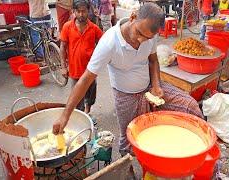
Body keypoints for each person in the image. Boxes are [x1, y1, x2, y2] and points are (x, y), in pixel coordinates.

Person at [53, 2, 203, 155]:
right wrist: (65, 115)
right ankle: (128, 168)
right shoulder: (109, 42)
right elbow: (85, 80)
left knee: (190, 106)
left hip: (150, 87)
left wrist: (156, 85)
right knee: (130, 138)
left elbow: (153, 60)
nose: (141, 40)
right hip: (126, 96)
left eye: (146, 38)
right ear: (132, 17)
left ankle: (196, 157)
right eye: (139, 33)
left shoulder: (149, 35)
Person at [60, 0, 103, 113]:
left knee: (91, 93)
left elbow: (103, 44)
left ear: (88, 11)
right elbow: (62, 47)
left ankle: (88, 112)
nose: (81, 14)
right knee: (77, 97)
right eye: (78, 11)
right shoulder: (67, 27)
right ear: (73, 11)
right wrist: (63, 66)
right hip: (75, 70)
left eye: (83, 11)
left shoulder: (94, 28)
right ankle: (81, 114)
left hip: (91, 70)